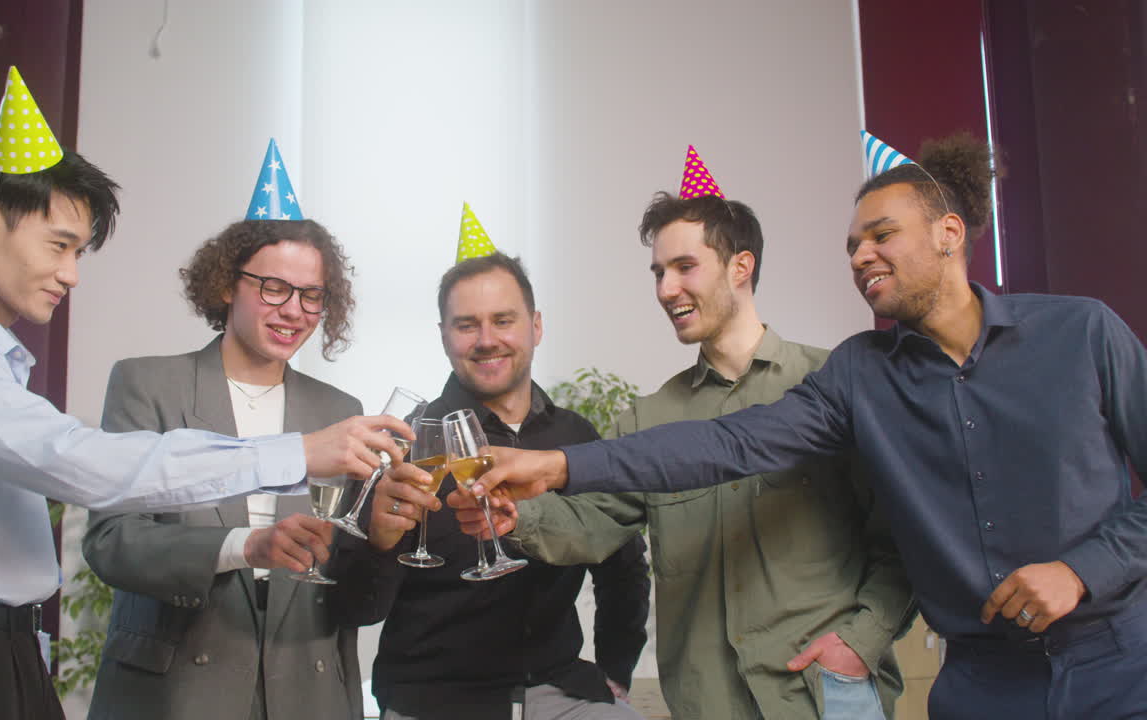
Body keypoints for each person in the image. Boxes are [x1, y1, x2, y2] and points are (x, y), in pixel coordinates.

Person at [470, 134, 1147, 720]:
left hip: (1116, 667)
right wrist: (555, 472)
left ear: (949, 232)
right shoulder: (861, 375)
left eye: (880, 235)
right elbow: (730, 443)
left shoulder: (1082, 333)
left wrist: (1080, 572)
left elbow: (889, 548)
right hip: (976, 684)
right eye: (851, 245)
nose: (858, 256)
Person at [0, 80, 408, 720]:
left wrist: (382, 536)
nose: (71, 273)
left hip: (5, 651)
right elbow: (95, 471)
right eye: (59, 245)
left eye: (79, 251)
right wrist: (295, 455)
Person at [454, 186, 913, 719]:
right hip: (707, 702)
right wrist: (516, 519)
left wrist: (862, 639)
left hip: (826, 696)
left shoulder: (835, 384)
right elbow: (594, 522)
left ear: (741, 266)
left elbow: (900, 536)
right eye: (657, 272)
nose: (667, 289)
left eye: (685, 266)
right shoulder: (649, 419)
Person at [338, 247, 651, 720]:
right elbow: (353, 605)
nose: (487, 340)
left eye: (503, 320)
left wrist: (616, 671)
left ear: (536, 326)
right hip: (432, 701)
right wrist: (379, 543)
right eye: (467, 325)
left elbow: (623, 570)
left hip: (559, 691)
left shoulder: (576, 439)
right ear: (443, 337)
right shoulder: (401, 445)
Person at [84, 211, 372, 718]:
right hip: (175, 692)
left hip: (306, 689)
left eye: (311, 295)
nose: (294, 310)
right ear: (225, 285)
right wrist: (242, 546)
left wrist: (390, 526)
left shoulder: (340, 412)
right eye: (274, 287)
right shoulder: (147, 386)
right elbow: (113, 543)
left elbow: (351, 574)